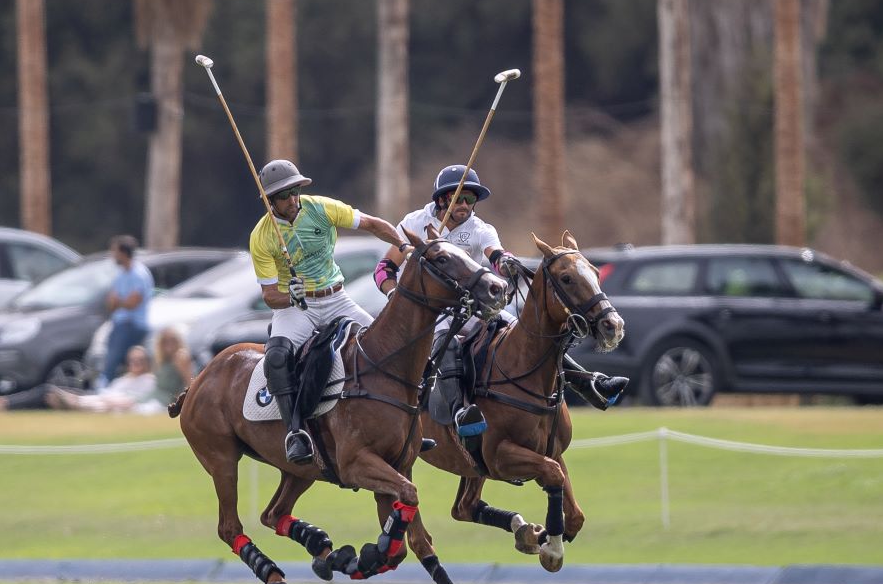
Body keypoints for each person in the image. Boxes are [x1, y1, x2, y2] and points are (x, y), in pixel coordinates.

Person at [373, 164, 628, 410]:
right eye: (458, 198)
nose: (464, 205)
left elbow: (496, 255)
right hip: (428, 309)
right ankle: (459, 410)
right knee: (446, 343)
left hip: (467, 305)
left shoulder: (480, 228)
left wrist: (505, 262)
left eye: (470, 200)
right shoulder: (414, 222)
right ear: (442, 200)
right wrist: (394, 293)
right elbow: (384, 268)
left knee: (524, 333)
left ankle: (587, 383)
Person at [251, 159, 409, 465]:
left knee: (388, 348)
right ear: (271, 201)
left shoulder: (320, 208)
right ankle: (295, 432)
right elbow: (270, 296)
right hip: (298, 307)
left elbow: (373, 224)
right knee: (277, 356)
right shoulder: (263, 236)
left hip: (337, 298)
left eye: (295, 190)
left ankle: (410, 423)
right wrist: (290, 297)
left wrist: (404, 246)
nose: (293, 198)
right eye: (285, 195)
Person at [0, 327, 195, 413]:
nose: (167, 346)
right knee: (58, 393)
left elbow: (190, 383)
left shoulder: (179, 359)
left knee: (108, 401)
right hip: (141, 395)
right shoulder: (155, 368)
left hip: (159, 398)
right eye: (164, 342)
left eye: (170, 341)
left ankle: (0, 403)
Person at [98, 234, 153, 388]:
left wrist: (119, 302)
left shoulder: (139, 274)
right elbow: (111, 302)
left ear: (123, 253)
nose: (113, 255)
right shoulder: (121, 274)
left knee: (113, 359)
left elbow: (133, 302)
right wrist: (121, 302)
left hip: (133, 325)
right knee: (114, 359)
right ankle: (110, 387)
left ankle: (103, 387)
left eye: (115, 251)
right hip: (120, 323)